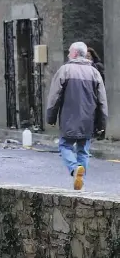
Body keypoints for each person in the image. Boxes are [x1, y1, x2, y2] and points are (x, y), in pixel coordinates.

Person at [46, 42, 108, 190]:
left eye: (69, 52)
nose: (68, 54)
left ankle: (74, 169)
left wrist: (51, 117)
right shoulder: (94, 73)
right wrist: (102, 124)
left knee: (64, 145)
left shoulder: (65, 70)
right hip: (88, 120)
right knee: (83, 151)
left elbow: (54, 97)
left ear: (74, 53)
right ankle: (80, 181)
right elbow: (102, 101)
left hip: (68, 119)